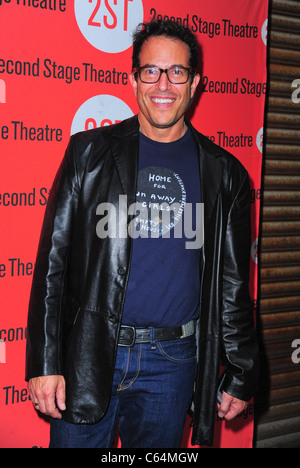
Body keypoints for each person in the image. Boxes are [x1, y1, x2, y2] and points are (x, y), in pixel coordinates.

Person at [26, 19, 259, 448]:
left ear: (195, 83)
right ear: (134, 79)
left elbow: (233, 283)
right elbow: (51, 266)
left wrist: (242, 369)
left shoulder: (224, 174)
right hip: (90, 352)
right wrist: (44, 361)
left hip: (172, 364)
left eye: (177, 72)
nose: (163, 84)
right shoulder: (88, 154)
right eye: (151, 71)